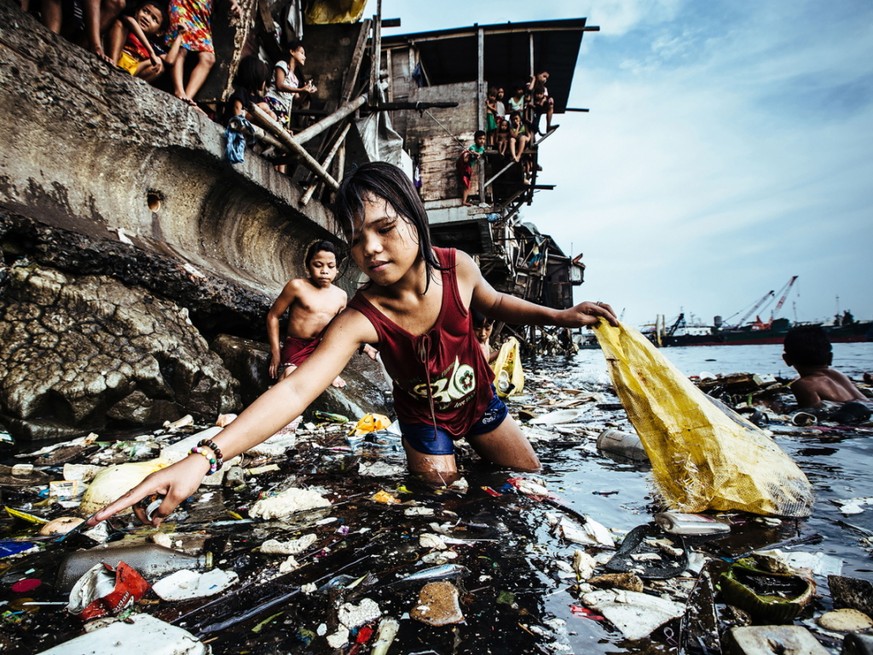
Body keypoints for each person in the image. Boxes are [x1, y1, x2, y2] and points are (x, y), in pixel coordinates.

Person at [89, 162, 617, 526]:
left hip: (481, 405)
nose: (370, 248)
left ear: (416, 216)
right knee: (444, 503)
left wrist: (562, 315)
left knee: (528, 481)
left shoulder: (459, 268)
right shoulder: (360, 316)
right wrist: (204, 457)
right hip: (426, 422)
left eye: (385, 228)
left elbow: (498, 303)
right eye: (357, 238)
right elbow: (296, 394)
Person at [266, 240, 348, 387]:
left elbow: (340, 330)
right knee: (290, 376)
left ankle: (329, 370)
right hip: (296, 344)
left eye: (330, 266)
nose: (324, 271)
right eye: (318, 265)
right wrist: (276, 352)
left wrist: (364, 347)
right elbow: (273, 316)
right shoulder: (297, 286)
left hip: (321, 347)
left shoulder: (341, 296)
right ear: (307, 266)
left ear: (337, 269)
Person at [164, 0, 240, 105]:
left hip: (202, 11)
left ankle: (188, 97)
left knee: (208, 58)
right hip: (183, 4)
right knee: (181, 46)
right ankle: (179, 91)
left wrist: (234, 3)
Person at [782, 325, 866, 407]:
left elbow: (810, 415)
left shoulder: (803, 385)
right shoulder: (839, 375)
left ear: (787, 360)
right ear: (830, 357)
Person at [106, 1, 185, 82]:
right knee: (118, 24)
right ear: (136, 12)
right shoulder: (127, 28)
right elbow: (130, 20)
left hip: (132, 70)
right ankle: (113, 66)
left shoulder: (153, 46)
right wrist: (151, 52)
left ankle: (130, 82)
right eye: (145, 11)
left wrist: (179, 35)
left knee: (160, 65)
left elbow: (169, 60)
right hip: (117, 57)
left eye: (154, 19)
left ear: (159, 32)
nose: (146, 18)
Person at [265, 39, 317, 131]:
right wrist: (301, 90)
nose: (304, 57)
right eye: (302, 53)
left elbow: (297, 101)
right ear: (292, 51)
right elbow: (279, 85)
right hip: (272, 103)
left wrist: (306, 92)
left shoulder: (295, 80)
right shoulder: (282, 65)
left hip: (284, 110)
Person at [223, 55, 276, 124]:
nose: (264, 83)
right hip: (239, 122)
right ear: (256, 77)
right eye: (264, 79)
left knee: (271, 113)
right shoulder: (242, 92)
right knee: (264, 106)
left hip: (251, 125)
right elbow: (236, 108)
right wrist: (240, 125)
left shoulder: (258, 98)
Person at [456, 130, 486, 206]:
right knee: (466, 154)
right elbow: (472, 151)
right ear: (475, 140)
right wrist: (475, 153)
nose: (482, 141)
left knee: (466, 184)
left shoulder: (482, 149)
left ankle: (464, 201)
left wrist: (478, 154)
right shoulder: (473, 147)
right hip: (464, 165)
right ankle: (464, 201)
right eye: (480, 139)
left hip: (468, 167)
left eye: (483, 139)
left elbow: (481, 154)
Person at [528, 70, 556, 134]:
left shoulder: (544, 88)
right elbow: (530, 89)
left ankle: (548, 125)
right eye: (544, 76)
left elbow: (545, 98)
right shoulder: (532, 83)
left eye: (546, 78)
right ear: (538, 75)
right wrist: (534, 79)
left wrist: (544, 102)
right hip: (532, 105)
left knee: (551, 102)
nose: (545, 79)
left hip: (539, 106)